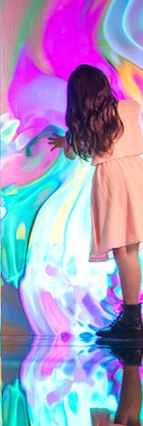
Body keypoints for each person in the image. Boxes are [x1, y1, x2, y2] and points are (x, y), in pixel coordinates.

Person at [48, 64, 143, 338]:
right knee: (131, 250)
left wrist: (66, 141)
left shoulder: (85, 127)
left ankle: (132, 320)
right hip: (135, 176)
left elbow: (71, 154)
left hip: (111, 182)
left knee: (122, 251)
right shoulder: (129, 108)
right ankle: (132, 316)